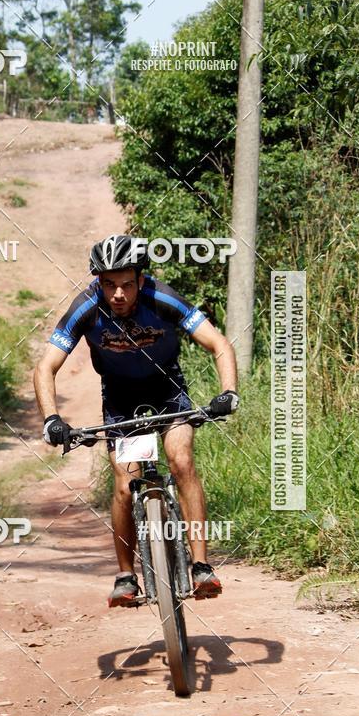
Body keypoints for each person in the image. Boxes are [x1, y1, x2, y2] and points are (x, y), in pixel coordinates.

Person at [33, 234, 239, 607]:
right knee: (126, 482)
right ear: (98, 282)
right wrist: (51, 418)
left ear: (140, 280)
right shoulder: (86, 308)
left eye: (126, 284)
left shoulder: (163, 298)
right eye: (108, 284)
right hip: (121, 399)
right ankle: (127, 576)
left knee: (181, 460)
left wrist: (228, 392)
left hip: (168, 391)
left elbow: (218, 343)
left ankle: (201, 567)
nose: (118, 294)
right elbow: (46, 366)